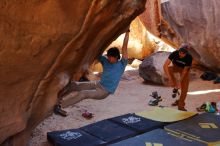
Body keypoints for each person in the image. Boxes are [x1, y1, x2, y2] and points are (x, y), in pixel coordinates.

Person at [54, 29, 130, 116]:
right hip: (98, 84)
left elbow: (124, 47)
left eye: (111, 57)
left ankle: (60, 106)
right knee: (74, 85)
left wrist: (127, 33)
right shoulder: (105, 61)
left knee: (83, 94)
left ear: (116, 57)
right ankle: (58, 98)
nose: (109, 59)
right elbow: (96, 51)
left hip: (104, 92)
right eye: (108, 56)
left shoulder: (122, 64)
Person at [163, 45, 193, 111]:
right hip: (176, 67)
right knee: (169, 69)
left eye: (183, 53)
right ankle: (175, 86)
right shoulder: (175, 53)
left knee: (184, 89)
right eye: (180, 52)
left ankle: (180, 105)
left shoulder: (189, 57)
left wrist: (180, 81)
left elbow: (185, 71)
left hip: (184, 70)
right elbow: (165, 65)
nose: (181, 54)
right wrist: (170, 78)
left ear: (186, 53)